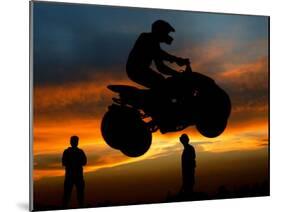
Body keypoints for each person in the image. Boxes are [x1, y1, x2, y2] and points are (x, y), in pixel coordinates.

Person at [126, 20, 189, 88]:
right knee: (161, 84)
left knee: (162, 81)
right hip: (136, 71)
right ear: (160, 31)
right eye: (166, 33)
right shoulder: (146, 37)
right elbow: (160, 54)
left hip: (141, 70)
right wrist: (177, 61)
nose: (167, 35)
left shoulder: (154, 43)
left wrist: (176, 72)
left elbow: (161, 67)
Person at [62, 135, 87, 208]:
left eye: (75, 141)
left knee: (78, 195)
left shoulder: (77, 151)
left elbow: (84, 162)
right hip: (73, 176)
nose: (75, 142)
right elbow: (64, 162)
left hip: (75, 176)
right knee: (68, 195)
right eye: (74, 141)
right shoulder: (68, 152)